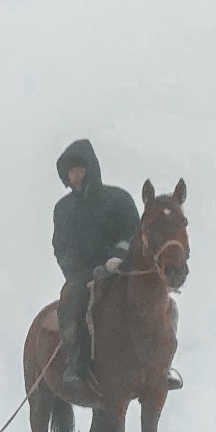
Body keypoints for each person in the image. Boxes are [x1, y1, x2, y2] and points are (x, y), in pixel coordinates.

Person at [51, 138, 142, 397]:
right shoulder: (63, 209)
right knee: (70, 299)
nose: (76, 174)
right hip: (84, 277)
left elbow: (133, 233)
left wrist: (116, 258)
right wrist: (77, 274)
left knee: (163, 305)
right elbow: (60, 246)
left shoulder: (118, 199)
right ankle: (75, 362)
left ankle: (162, 367)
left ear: (91, 167)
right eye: (71, 170)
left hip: (122, 272)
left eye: (80, 168)